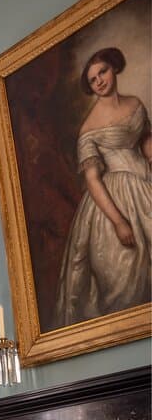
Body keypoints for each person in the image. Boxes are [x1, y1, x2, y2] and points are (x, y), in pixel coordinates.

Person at [54, 47, 152, 328]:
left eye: (103, 72)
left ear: (114, 69)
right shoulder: (89, 128)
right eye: (93, 79)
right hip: (112, 198)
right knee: (125, 278)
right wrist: (119, 221)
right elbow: (93, 180)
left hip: (145, 186)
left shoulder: (135, 103)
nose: (99, 80)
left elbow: (144, 135)